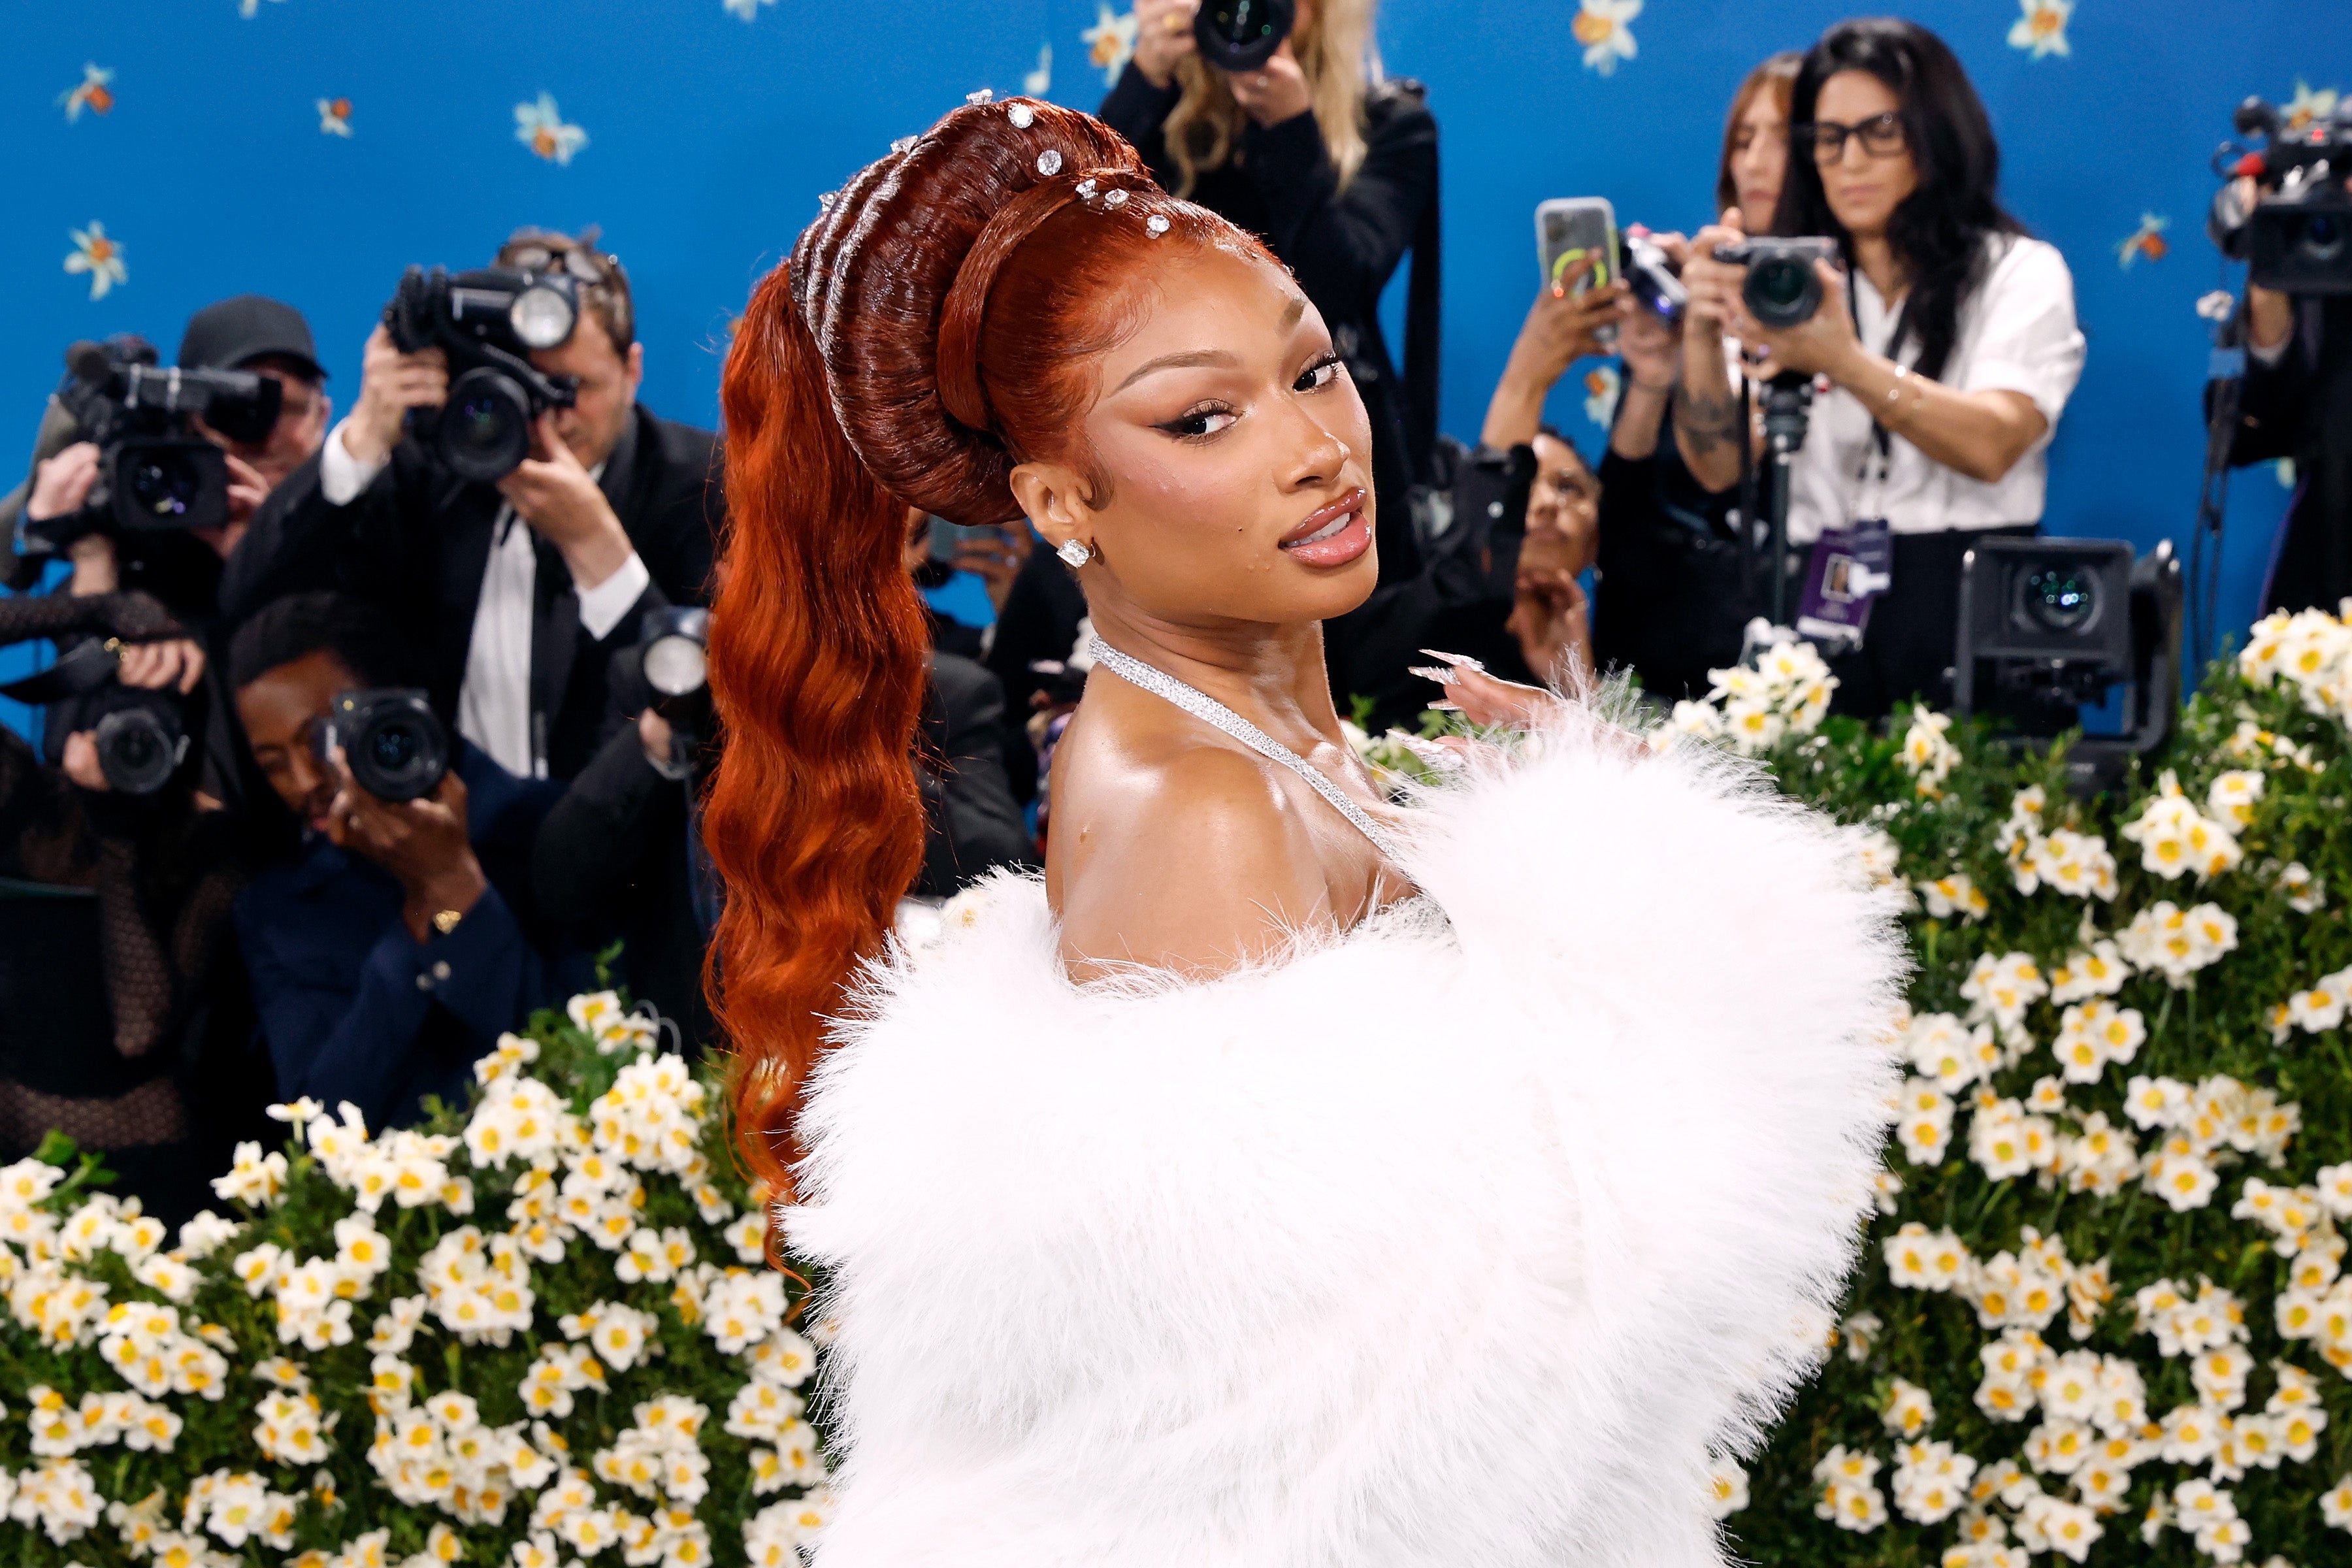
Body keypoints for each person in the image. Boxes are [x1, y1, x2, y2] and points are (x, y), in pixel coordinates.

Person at [701, 99, 1902, 1565]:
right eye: (1202, 419)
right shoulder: (1208, 810)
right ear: (1060, 499)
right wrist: (1621, 875)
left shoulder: (1273, 747)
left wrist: (1589, 820)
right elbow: (1410, 1441)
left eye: (1314, 370)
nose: (1317, 449)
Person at [1678, 19, 2084, 716]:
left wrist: (1843, 362)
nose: (1851, 161)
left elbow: (1992, 443)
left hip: (1968, 595)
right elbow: (1718, 469)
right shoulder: (1790, 281)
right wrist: (1698, 328)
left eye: (1881, 131)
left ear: (1938, 132)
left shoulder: (2017, 272)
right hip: (1815, 597)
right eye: (1829, 138)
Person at [224, 228, 723, 782]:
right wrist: (363, 439)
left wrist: (600, 557)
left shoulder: (704, 487)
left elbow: (718, 718)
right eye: (525, 384)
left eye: (573, 386)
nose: (552, 414)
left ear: (632, 372)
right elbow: (248, 608)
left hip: (627, 827)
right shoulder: (429, 476)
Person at [531, 514, 1036, 1054]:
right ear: (725, 575)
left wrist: (848, 737)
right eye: (766, 576)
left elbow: (1002, 869)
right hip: (689, 1056)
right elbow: (560, 885)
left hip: (870, 1053)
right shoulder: (658, 678)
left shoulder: (943, 693)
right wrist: (660, 733)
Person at [1100, 0, 1439, 590]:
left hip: (1325, 427)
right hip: (1189, 441)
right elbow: (1084, 242)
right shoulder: (1161, 117)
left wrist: (1291, 131)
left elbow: (1339, 287)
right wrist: (1144, 79)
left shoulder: (1389, 124)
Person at [229, 591, 582, 1130]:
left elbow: (584, 1063)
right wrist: (423, 909)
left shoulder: (548, 827)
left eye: (319, 741)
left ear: (396, 705)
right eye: (273, 764)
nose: (303, 783)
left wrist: (457, 887)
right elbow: (322, 1123)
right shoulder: (279, 911)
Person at [0, 587, 253, 1229]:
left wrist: (119, 839)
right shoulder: (27, 801)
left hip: (145, 1161)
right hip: (14, 1154)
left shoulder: (212, 848)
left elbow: (138, 1030)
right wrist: (99, 612)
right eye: (110, 712)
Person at [12, 300, 335, 793]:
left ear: (323, 418)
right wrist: (95, 570)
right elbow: (75, 757)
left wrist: (261, 565)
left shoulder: (363, 545)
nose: (264, 435)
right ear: (191, 424)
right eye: (236, 411)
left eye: (286, 409)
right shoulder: (129, 579)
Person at [1592, 53, 1800, 702]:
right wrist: (1656, 370)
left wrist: (1708, 335)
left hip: (1784, 656)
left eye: (1782, 138)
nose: (1755, 162)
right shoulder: (1693, 288)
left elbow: (1732, 469)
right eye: (1743, 140)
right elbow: (1622, 505)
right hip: (1653, 647)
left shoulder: (1847, 312)